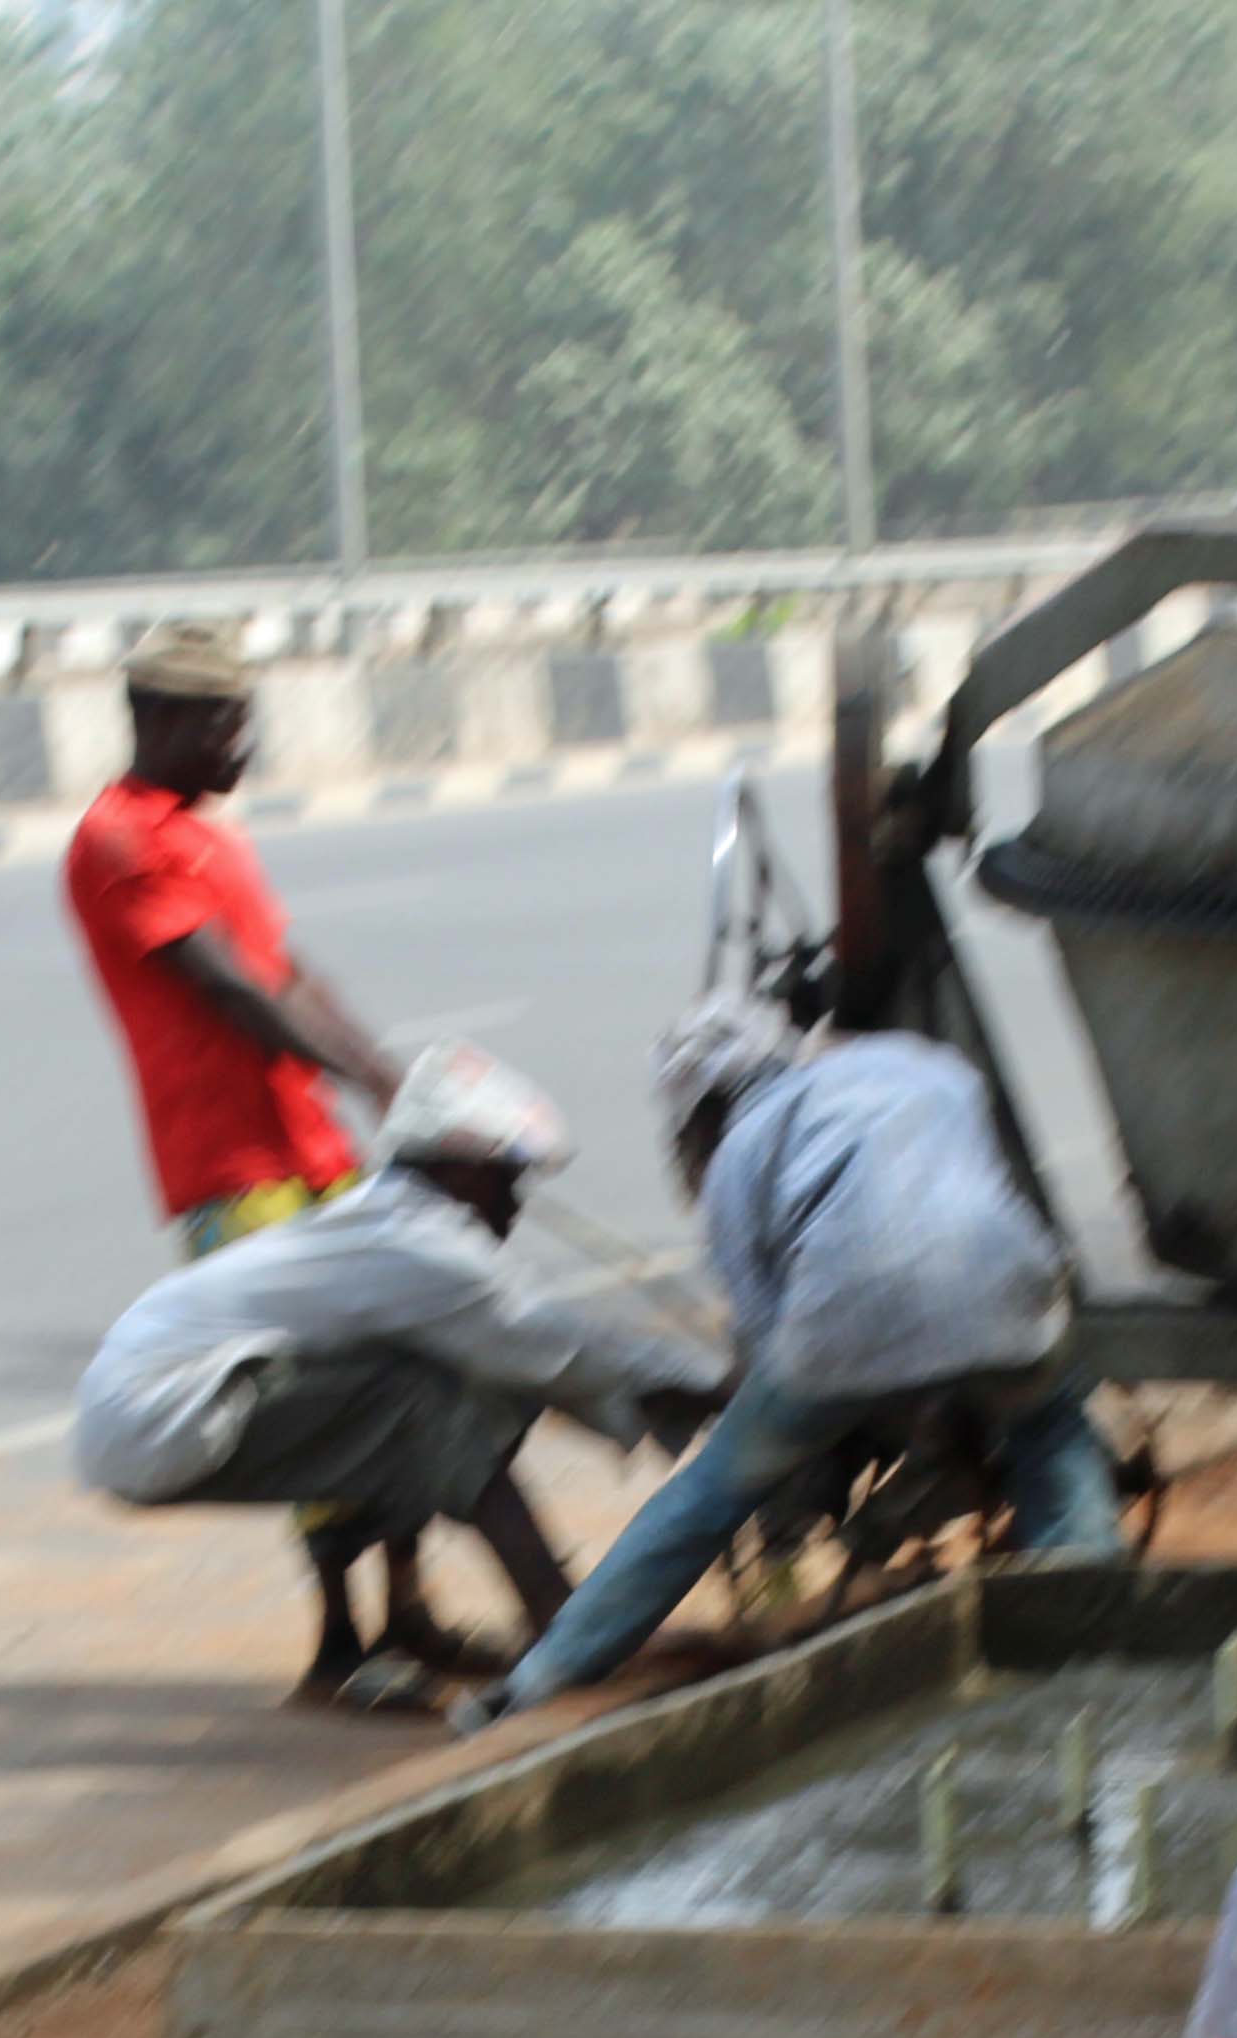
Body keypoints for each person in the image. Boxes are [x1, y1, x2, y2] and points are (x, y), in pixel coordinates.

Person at [453, 1002, 1118, 1728]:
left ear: (703, 1112)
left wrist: (793, 1437)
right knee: (1051, 1434)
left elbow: (765, 1334)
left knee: (706, 1498)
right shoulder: (922, 1066)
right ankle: (1099, 1628)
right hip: (1007, 1291)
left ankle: (536, 1681)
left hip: (838, 1336)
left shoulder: (737, 1154)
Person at [63, 619, 480, 1694]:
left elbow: (289, 974)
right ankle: (343, 1644)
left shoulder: (215, 842)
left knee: (393, 1362)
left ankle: (410, 1610)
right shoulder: (119, 839)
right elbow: (229, 990)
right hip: (230, 1164)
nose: (241, 747)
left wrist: (393, 1079)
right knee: (305, 1391)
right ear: (159, 719)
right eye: (222, 724)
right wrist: (360, 1075)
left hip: (312, 1145)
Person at [71, 1050, 713, 1711]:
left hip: (157, 1403)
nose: (515, 1203)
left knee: (448, 1378)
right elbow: (559, 1346)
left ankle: (399, 1625)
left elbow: (541, 1353)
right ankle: (568, 1626)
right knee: (427, 1403)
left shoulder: (391, 1222)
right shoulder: (421, 1248)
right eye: (506, 1179)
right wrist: (723, 1386)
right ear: (460, 1170)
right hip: (162, 1414)